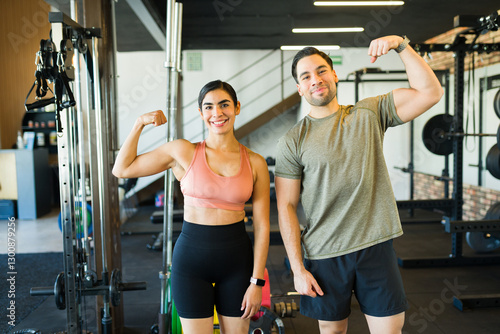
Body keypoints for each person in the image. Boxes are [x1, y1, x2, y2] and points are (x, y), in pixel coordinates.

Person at [274, 35, 443, 334]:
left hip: (374, 247)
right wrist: (297, 269)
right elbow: (286, 205)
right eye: (306, 76)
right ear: (300, 87)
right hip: (324, 253)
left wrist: (401, 45)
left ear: (334, 74)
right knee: (332, 331)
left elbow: (430, 92)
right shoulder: (292, 141)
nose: (316, 79)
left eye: (321, 70)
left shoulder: (369, 113)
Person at [112, 80, 270, 334]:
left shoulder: (255, 162)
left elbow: (262, 226)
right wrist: (139, 123)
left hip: (237, 263)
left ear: (237, 107)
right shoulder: (183, 151)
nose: (217, 113)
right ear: (201, 113)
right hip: (191, 264)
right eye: (208, 107)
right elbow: (122, 169)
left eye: (224, 105)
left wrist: (257, 282)